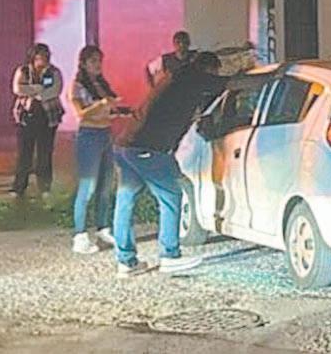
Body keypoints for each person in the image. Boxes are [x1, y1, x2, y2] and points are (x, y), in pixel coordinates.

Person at [112, 52, 227, 278]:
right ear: (208, 69)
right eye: (215, 71)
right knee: (171, 196)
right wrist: (268, 74)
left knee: (125, 201)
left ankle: (126, 262)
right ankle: (169, 255)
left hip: (126, 145)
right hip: (148, 148)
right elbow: (228, 83)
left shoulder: (176, 77)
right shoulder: (193, 78)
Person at [68, 46, 125, 254]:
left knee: (105, 186)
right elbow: (80, 113)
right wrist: (101, 104)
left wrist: (116, 110)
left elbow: (108, 109)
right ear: (83, 64)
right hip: (89, 136)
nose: (97, 65)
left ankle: (103, 229)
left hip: (105, 135)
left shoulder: (101, 85)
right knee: (88, 187)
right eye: (93, 61)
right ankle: (80, 235)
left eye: (99, 61)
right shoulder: (77, 86)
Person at [9, 43, 64, 198]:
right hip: (27, 116)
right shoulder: (23, 71)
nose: (42, 60)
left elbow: (55, 89)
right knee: (24, 153)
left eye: (45, 56)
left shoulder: (53, 72)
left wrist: (39, 94)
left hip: (48, 116)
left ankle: (45, 187)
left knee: (44, 153)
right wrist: (36, 89)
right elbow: (18, 88)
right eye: (39, 57)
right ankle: (19, 187)